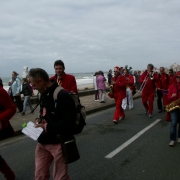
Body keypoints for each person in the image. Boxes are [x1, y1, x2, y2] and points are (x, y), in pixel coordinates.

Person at [29, 68, 76, 180]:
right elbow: (47, 114)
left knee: (60, 177)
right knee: (39, 175)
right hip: (43, 142)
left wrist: (46, 127)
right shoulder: (43, 94)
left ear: (40, 81)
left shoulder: (61, 95)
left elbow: (69, 122)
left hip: (58, 142)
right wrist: (40, 121)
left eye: (33, 85)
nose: (33, 88)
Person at [0, 85, 16, 180]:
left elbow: (12, 108)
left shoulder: (1, 91)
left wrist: (0, 119)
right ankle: (9, 175)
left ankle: (9, 175)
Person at [167, 71, 180, 147]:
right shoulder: (172, 86)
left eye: (179, 77)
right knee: (173, 123)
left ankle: (179, 137)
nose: (178, 78)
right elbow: (168, 97)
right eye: (177, 77)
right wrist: (171, 96)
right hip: (174, 107)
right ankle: (172, 139)